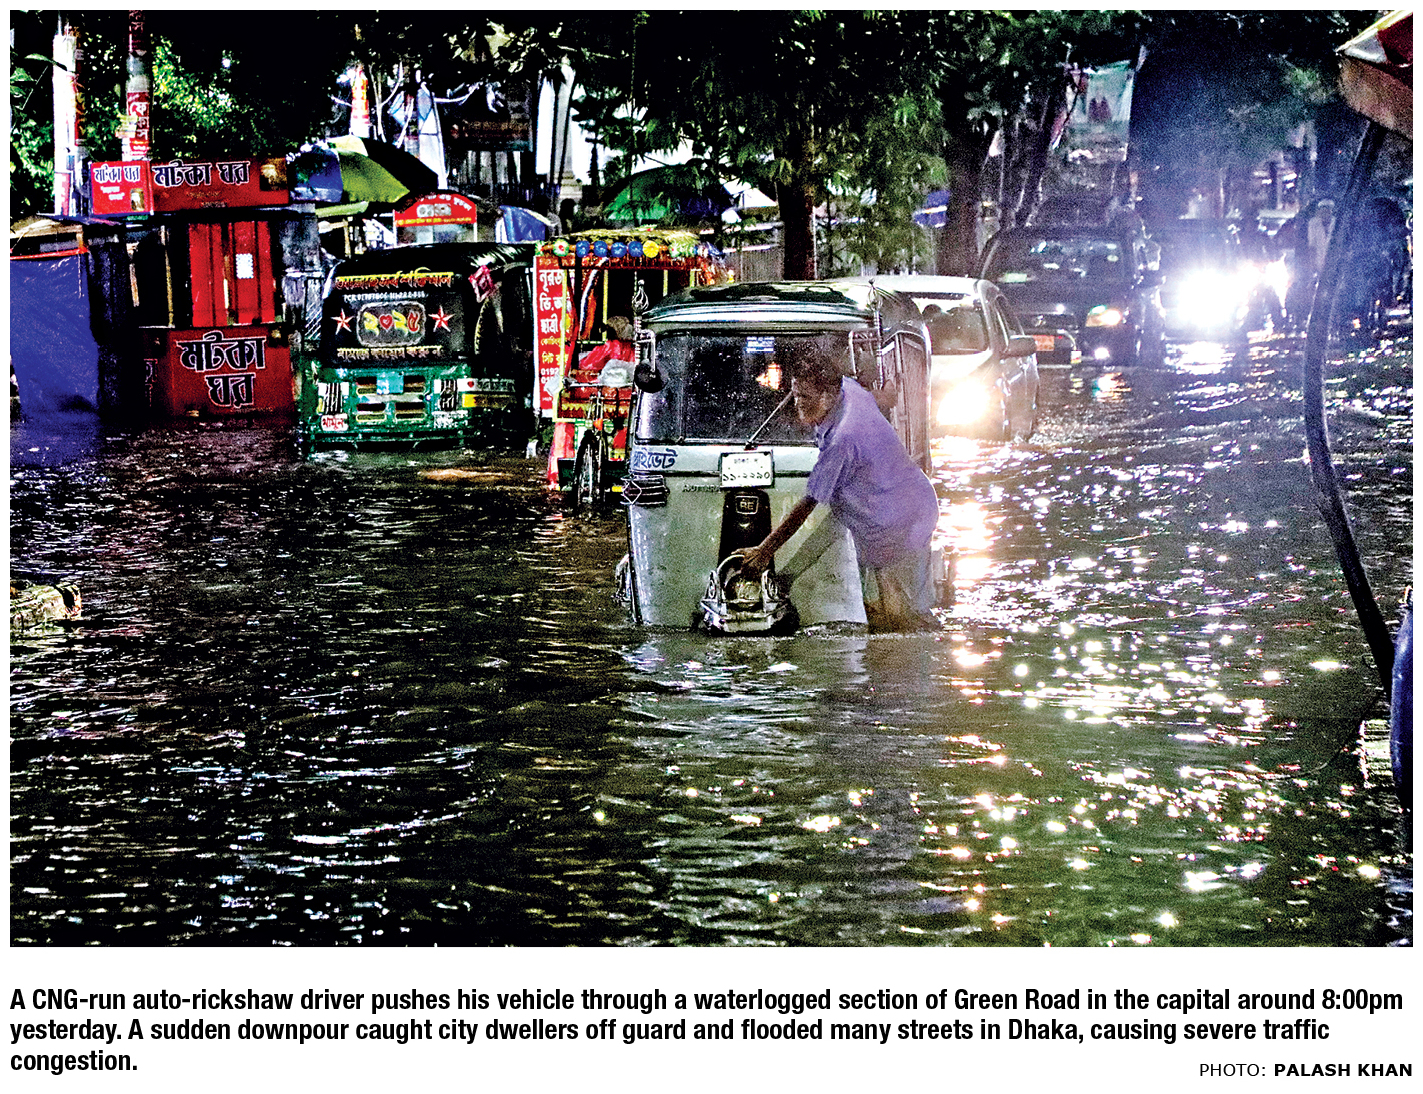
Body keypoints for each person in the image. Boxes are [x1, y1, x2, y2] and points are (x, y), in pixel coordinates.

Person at [738, 350, 940, 632]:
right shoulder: (848, 388)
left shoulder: (843, 440)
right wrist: (887, 396)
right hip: (885, 505)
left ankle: (923, 648)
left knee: (899, 619)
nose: (797, 404)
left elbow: (808, 504)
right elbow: (833, 522)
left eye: (805, 397)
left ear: (828, 396)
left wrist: (764, 550)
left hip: (902, 521)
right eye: (795, 395)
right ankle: (784, 580)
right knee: (840, 528)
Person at [578, 315, 636, 385]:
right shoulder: (632, 346)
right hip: (628, 382)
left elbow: (588, 364)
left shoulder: (610, 345)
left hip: (608, 383)